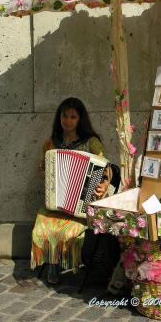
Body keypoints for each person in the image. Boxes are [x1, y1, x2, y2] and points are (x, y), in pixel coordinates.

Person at [31, 97, 111, 283]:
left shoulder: (92, 143)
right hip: (55, 202)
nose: (67, 121)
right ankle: (53, 262)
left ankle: (68, 259)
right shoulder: (51, 143)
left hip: (80, 204)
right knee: (43, 228)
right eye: (64, 116)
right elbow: (42, 173)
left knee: (70, 230)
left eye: (73, 117)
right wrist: (44, 171)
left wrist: (103, 185)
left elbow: (105, 170)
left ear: (80, 119)